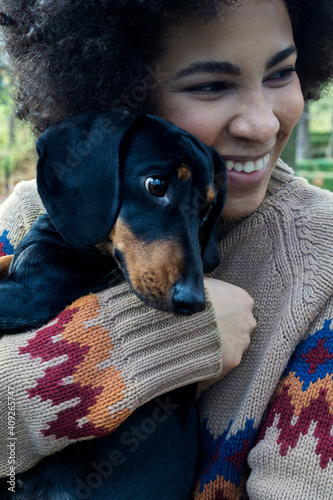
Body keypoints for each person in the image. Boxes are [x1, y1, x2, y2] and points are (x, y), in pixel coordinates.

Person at [0, 0, 332, 498]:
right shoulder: (38, 213)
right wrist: (141, 346)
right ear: (119, 85)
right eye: (210, 85)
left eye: (282, 73)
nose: (262, 124)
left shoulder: (323, 263)